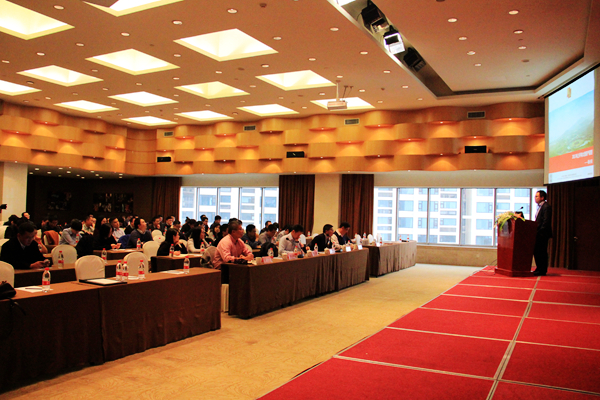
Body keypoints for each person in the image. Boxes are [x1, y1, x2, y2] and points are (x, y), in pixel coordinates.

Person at [533, 190, 552, 276]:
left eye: (537, 196)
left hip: (542, 234)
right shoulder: (540, 207)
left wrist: (540, 231)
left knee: (541, 252)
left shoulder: (546, 207)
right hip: (538, 233)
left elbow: (546, 221)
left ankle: (542, 270)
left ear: (542, 197)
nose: (535, 198)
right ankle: (539, 268)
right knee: (537, 251)